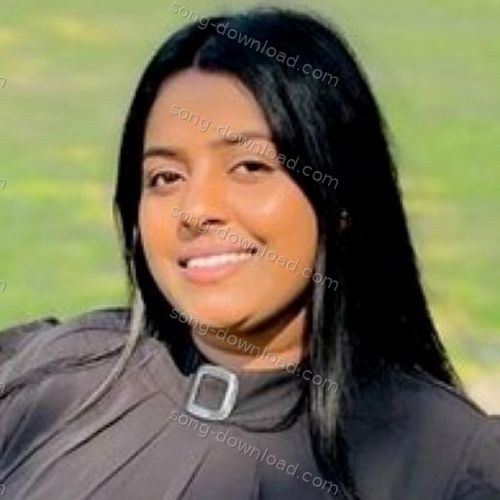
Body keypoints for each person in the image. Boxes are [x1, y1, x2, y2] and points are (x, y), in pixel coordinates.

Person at [1, 7, 499, 500]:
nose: (196, 210)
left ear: (342, 199)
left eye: (249, 167)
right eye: (166, 177)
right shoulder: (47, 381)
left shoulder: (448, 467)